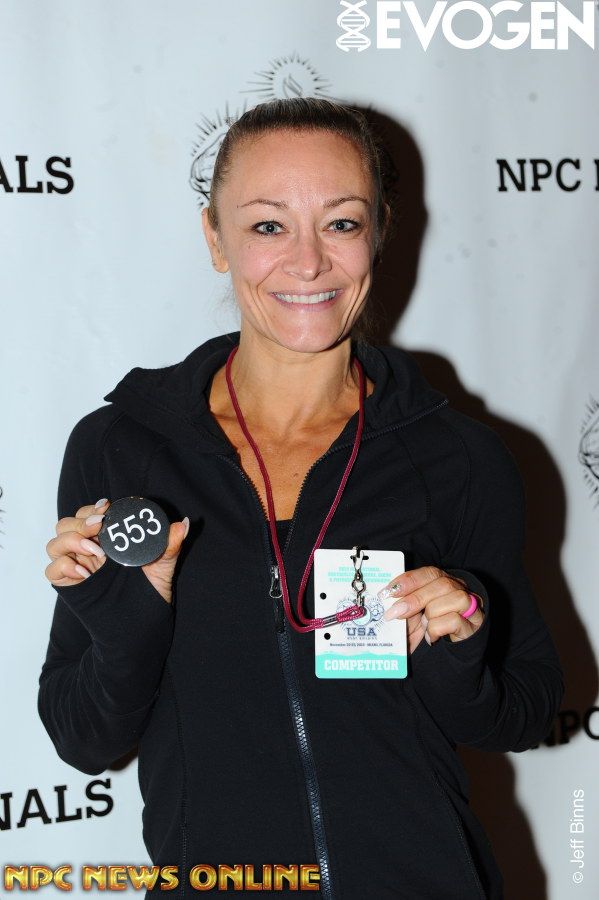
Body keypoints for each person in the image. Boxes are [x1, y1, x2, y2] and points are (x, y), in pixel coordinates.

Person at [39, 97, 563, 899]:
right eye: (267, 225)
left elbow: (520, 712)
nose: (309, 262)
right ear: (215, 238)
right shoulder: (121, 449)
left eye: (341, 223)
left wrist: (456, 641)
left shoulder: (457, 455)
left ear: (379, 233)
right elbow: (82, 738)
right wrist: (129, 616)